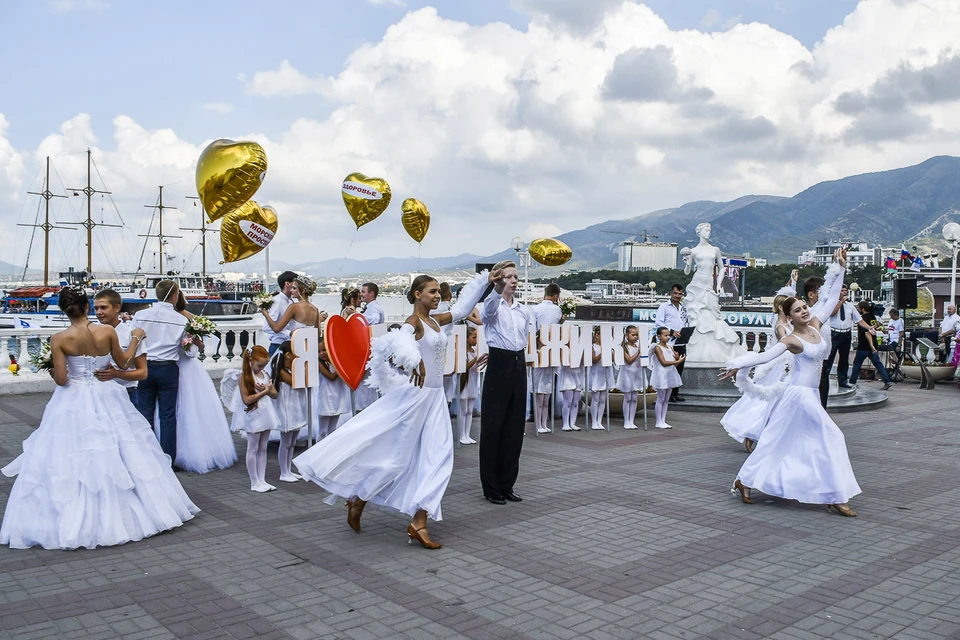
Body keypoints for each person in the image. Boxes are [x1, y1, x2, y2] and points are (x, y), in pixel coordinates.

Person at [293, 268, 496, 548]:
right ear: (417, 294)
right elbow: (399, 339)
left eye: (439, 291)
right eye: (432, 291)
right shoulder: (415, 321)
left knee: (439, 457)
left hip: (435, 399)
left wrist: (486, 280)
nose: (437, 296)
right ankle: (359, 500)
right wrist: (415, 359)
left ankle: (419, 521)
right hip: (415, 399)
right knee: (395, 459)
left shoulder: (437, 321)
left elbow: (462, 309)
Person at [1, 286, 198, 549]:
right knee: (122, 446)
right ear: (86, 308)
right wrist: (137, 338)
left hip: (73, 398)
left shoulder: (59, 339)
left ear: (64, 310)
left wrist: (56, 372)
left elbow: (62, 380)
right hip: (107, 394)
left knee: (70, 451)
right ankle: (131, 506)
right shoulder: (106, 332)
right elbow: (124, 363)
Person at [721, 248, 860, 517]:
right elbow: (764, 356)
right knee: (832, 436)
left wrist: (840, 268)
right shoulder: (791, 339)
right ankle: (836, 496)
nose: (805, 311)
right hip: (799, 395)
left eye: (805, 307)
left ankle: (744, 480)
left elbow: (831, 298)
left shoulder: (816, 327)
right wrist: (735, 365)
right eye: (798, 310)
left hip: (808, 395)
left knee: (776, 442)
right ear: (790, 316)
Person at [159, 291, 237, 474]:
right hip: (189, 368)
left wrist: (195, 344)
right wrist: (195, 344)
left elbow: (194, 349)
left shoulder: (171, 319)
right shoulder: (190, 318)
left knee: (173, 410)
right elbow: (196, 349)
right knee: (191, 409)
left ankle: (172, 451)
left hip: (176, 366)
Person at [479, 260, 534, 505]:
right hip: (499, 364)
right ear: (500, 280)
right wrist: (495, 288)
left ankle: (507, 484)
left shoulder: (523, 310)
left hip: (517, 362)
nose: (513, 281)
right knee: (493, 426)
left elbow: (521, 340)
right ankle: (491, 487)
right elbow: (487, 311)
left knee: (514, 427)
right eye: (508, 277)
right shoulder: (494, 305)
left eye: (515, 277)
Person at [720, 278, 796, 452]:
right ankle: (753, 433)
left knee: (777, 402)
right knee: (769, 401)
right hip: (779, 366)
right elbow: (784, 345)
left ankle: (769, 436)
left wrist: (792, 284)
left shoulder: (785, 322)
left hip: (783, 366)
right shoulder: (781, 326)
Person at [133, 279, 194, 465]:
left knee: (145, 413)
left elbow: (132, 340)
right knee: (168, 415)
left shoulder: (140, 315)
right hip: (168, 367)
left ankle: (147, 456)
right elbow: (188, 351)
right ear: (175, 297)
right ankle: (167, 458)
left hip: (145, 366)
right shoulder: (181, 320)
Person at [222, 346, 280, 492]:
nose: (262, 368)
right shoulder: (244, 377)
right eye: (259, 365)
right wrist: (264, 392)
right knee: (253, 448)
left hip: (266, 413)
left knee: (263, 448)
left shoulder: (264, 374)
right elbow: (247, 399)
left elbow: (275, 395)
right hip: (253, 415)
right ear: (251, 361)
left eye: (264, 365)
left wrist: (269, 389)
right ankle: (254, 482)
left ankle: (262, 479)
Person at [92, 289, 147, 405]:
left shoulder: (131, 334)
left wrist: (117, 374)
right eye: (96, 308)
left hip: (125, 392)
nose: (99, 312)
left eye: (103, 307)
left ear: (117, 308)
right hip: (97, 393)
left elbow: (142, 372)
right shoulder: (91, 332)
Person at [825, 283, 876, 389]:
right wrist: (841, 302)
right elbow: (832, 313)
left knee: (844, 359)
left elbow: (859, 320)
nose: (844, 292)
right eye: (842, 290)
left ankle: (843, 381)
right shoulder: (832, 303)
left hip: (846, 333)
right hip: (834, 333)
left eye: (845, 290)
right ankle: (824, 380)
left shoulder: (850, 306)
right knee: (830, 358)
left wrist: (869, 328)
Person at [270, 341, 307, 482]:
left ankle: (289, 469)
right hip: (287, 410)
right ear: (288, 355)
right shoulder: (281, 372)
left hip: (296, 409)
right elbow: (296, 382)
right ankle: (283, 472)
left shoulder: (291, 370)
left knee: (292, 442)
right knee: (285, 443)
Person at [531, 284, 562, 434]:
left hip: (538, 349)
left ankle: (539, 422)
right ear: (556, 296)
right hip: (553, 350)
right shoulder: (557, 310)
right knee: (547, 387)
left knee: (537, 388)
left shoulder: (535, 309)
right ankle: (543, 422)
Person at [654, 284, 688, 402]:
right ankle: (667, 394)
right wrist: (671, 332)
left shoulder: (683, 308)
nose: (677, 296)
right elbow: (659, 323)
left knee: (679, 368)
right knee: (669, 367)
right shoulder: (664, 307)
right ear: (671, 293)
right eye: (675, 293)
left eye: (680, 294)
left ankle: (675, 393)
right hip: (669, 343)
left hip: (681, 342)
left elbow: (684, 322)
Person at [849, 301, 894, 390]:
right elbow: (875, 327)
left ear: (862, 309)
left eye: (858, 308)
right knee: (878, 364)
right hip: (874, 344)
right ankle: (887, 380)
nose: (857, 310)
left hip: (864, 345)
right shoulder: (872, 317)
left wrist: (871, 346)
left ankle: (852, 382)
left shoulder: (863, 319)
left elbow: (867, 333)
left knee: (857, 364)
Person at [261, 275, 326, 335]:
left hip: (296, 345)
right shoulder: (315, 310)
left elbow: (276, 329)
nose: (291, 290)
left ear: (302, 291)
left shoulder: (294, 307)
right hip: (310, 346)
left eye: (294, 288)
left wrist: (266, 314)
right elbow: (318, 333)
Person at [356, 282, 385, 411]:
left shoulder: (375, 309)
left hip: (372, 350)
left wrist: (357, 315)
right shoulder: (370, 307)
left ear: (371, 293)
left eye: (363, 291)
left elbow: (373, 320)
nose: (361, 294)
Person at [316, 336, 352, 440]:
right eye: (319, 351)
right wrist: (341, 366)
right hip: (326, 397)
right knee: (322, 431)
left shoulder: (336, 360)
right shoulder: (320, 363)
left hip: (337, 396)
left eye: (324, 350)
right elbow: (331, 377)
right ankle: (318, 452)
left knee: (332, 430)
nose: (322, 353)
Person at [649, 327, 684, 429]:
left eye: (669, 335)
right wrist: (677, 361)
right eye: (665, 335)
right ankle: (658, 421)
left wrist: (676, 359)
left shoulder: (670, 347)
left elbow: (673, 364)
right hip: (661, 375)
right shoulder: (657, 348)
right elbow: (663, 362)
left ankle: (663, 420)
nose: (668, 337)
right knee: (661, 398)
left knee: (666, 399)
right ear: (659, 336)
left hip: (670, 374)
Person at [457, 326, 485, 444]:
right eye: (474, 337)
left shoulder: (474, 351)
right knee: (463, 410)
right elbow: (465, 367)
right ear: (467, 338)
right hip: (465, 381)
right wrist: (477, 358)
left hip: (473, 381)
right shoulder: (463, 352)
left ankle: (467, 434)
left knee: (469, 410)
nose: (476, 340)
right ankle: (461, 435)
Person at [264, 271, 299, 357]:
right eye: (295, 283)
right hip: (278, 345)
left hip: (290, 344)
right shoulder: (277, 301)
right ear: (287, 283)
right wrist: (288, 333)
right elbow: (267, 327)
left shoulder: (290, 301)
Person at [616, 325, 644, 430]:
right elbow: (629, 360)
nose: (635, 337)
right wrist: (639, 352)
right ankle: (626, 421)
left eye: (637, 335)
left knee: (634, 398)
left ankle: (632, 421)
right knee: (627, 398)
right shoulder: (624, 347)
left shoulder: (637, 347)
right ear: (627, 335)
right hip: (627, 374)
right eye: (633, 335)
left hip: (636, 374)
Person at [587, 326, 614, 430]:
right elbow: (594, 360)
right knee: (595, 399)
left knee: (603, 399)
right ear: (597, 335)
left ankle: (599, 420)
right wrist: (604, 352)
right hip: (596, 374)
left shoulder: (610, 347)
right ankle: (594, 421)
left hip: (605, 374)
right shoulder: (592, 347)